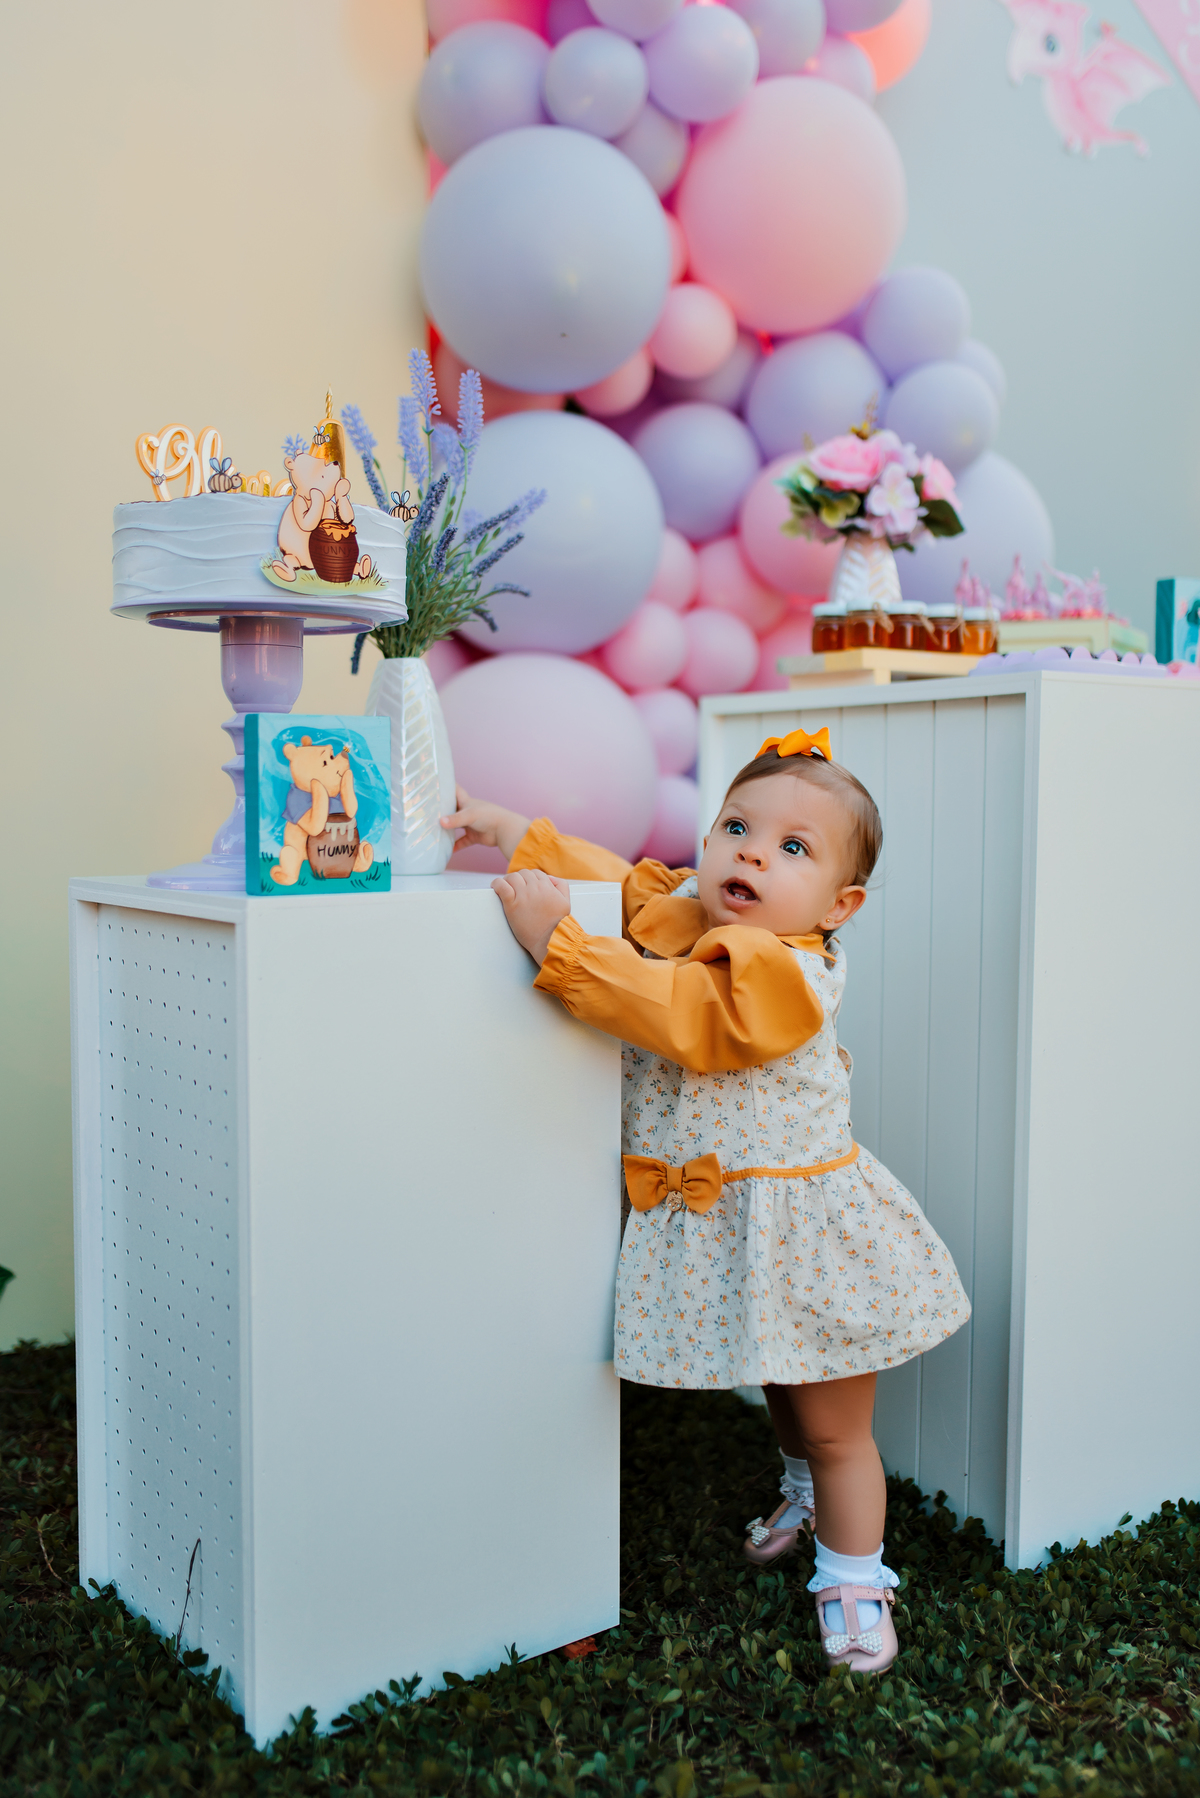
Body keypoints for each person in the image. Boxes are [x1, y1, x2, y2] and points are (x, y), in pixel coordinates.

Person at [442, 727, 969, 1676]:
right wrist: (518, 834)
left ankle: (854, 1579)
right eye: (737, 827)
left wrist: (561, 949)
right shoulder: (697, 907)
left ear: (839, 905)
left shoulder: (788, 976)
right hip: (742, 1222)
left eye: (793, 847)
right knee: (781, 1384)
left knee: (836, 1425)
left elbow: (683, 1014)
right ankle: (803, 1492)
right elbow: (629, 887)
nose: (751, 855)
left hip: (806, 1229)